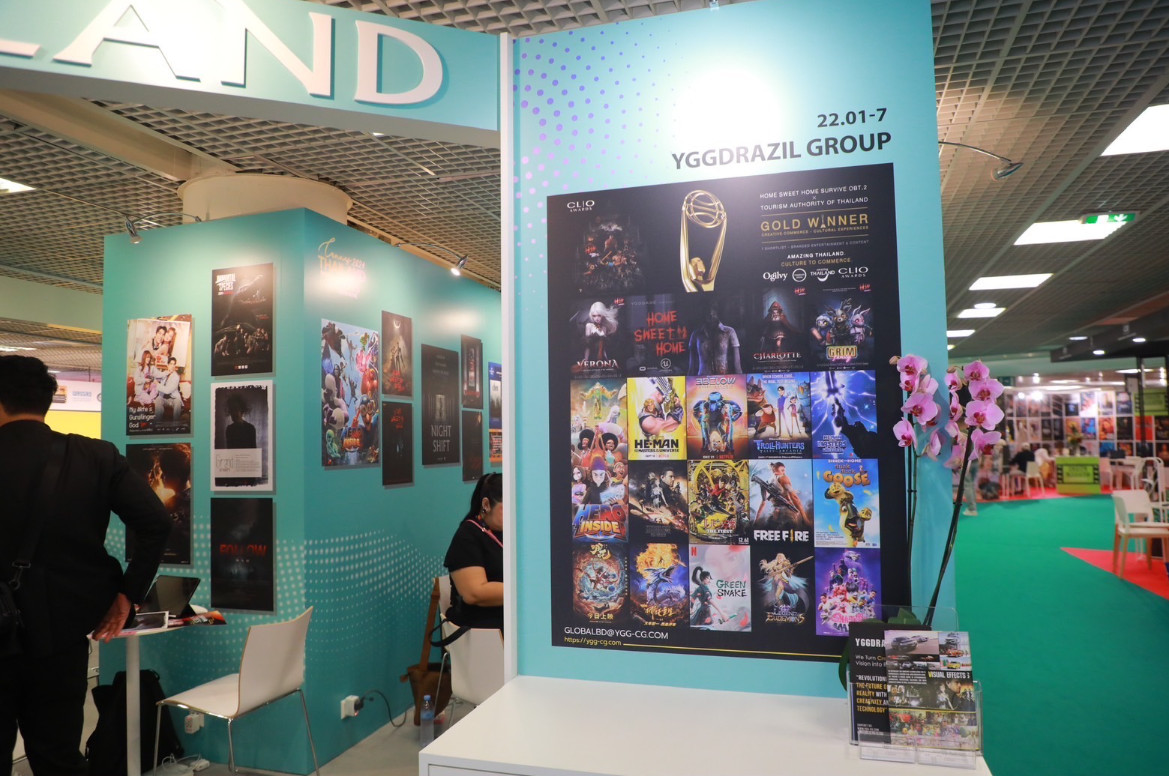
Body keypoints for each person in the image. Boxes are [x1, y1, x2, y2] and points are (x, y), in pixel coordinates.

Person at [0, 355, 170, 776]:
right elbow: (156, 523)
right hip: (62, 634)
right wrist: (127, 595)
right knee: (58, 754)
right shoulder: (95, 456)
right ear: (46, 401)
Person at [444, 472, 504, 630]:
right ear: (486, 505)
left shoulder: (512, 533)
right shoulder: (467, 536)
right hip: (481, 627)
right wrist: (526, 591)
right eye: (506, 509)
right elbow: (474, 593)